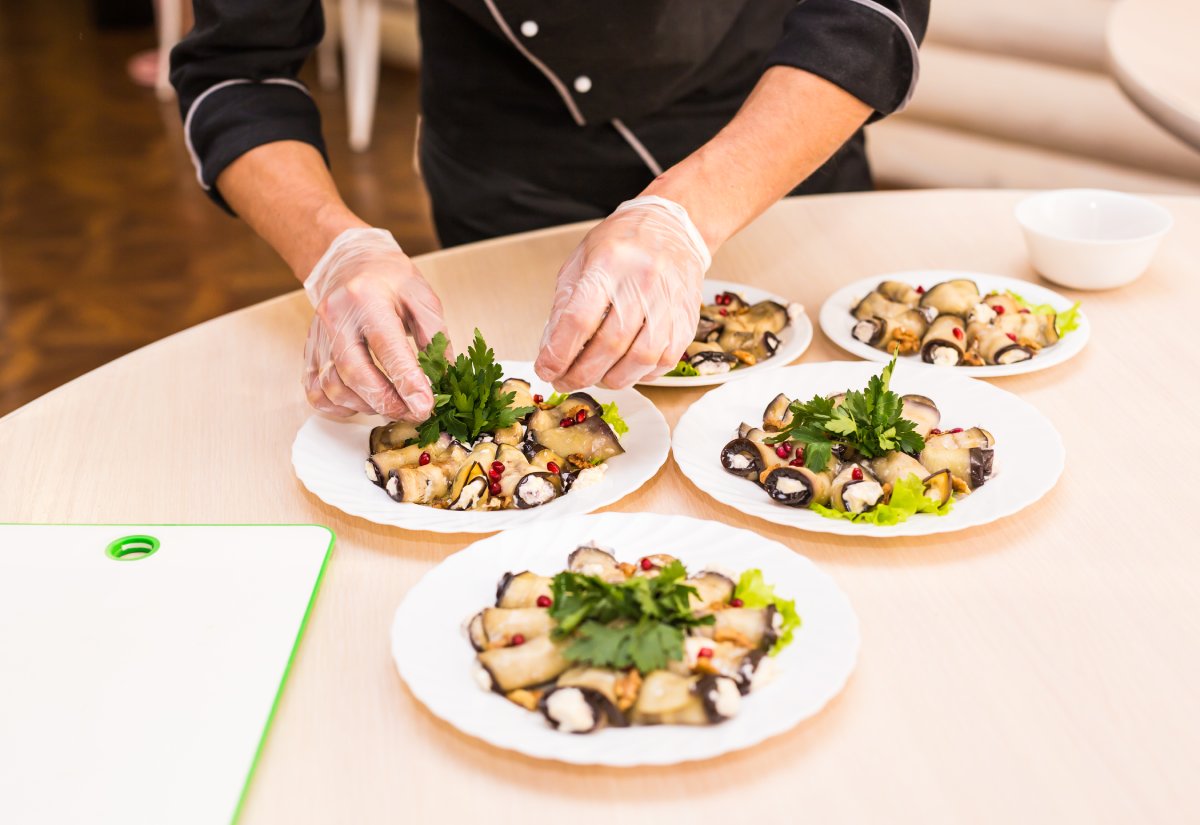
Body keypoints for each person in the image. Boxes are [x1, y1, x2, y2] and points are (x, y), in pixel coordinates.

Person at [172, 1, 928, 421]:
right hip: (509, 169)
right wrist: (335, 250)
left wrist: (685, 214)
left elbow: (862, 14)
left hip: (767, 138)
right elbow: (238, 67)